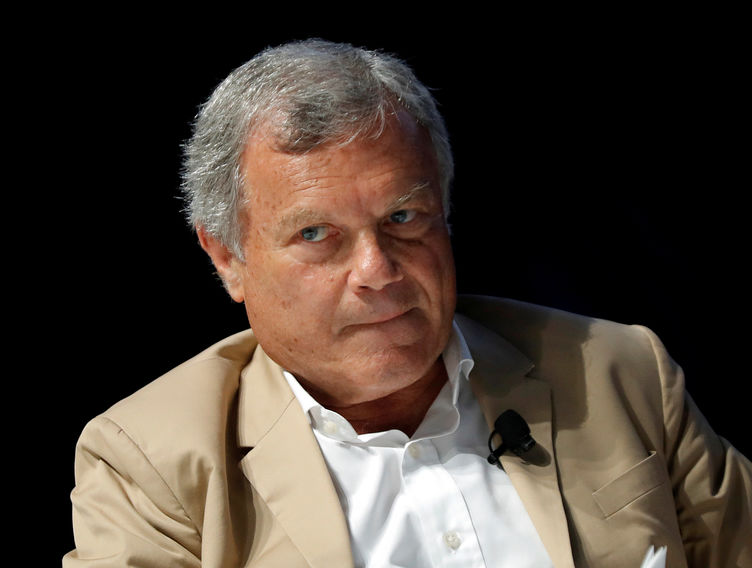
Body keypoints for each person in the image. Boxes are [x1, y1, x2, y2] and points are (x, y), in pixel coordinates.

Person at [64, 39, 752, 567]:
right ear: (226, 258)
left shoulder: (619, 374)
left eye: (403, 217)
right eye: (315, 234)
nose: (377, 269)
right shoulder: (151, 462)